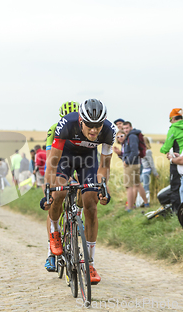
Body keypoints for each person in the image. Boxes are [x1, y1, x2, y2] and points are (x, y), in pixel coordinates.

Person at [43, 99, 115, 284]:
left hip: (88, 160)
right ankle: (55, 232)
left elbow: (104, 166)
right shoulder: (66, 124)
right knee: (58, 194)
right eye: (89, 126)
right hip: (64, 157)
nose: (93, 131)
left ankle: (89, 263)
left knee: (91, 204)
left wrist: (103, 188)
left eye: (97, 126)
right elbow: (53, 161)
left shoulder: (109, 131)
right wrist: (48, 188)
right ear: (81, 121)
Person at [43, 101, 79, 272]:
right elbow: (51, 158)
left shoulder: (83, 129)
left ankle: (76, 216)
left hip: (75, 163)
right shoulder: (55, 128)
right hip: (57, 163)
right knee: (55, 199)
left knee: (83, 187)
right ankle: (51, 252)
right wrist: (52, 183)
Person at [160, 108, 183, 214]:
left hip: (179, 160)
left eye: (170, 120)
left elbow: (166, 147)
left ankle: (176, 211)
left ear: (173, 118)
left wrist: (163, 150)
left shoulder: (173, 128)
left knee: (175, 185)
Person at [122, 121, 149, 211]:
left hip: (131, 164)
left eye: (127, 128)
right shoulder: (133, 135)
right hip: (136, 163)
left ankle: (129, 208)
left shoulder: (132, 136)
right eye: (124, 128)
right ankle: (146, 203)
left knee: (128, 186)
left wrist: (126, 162)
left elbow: (134, 151)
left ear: (131, 127)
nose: (125, 130)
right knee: (137, 184)